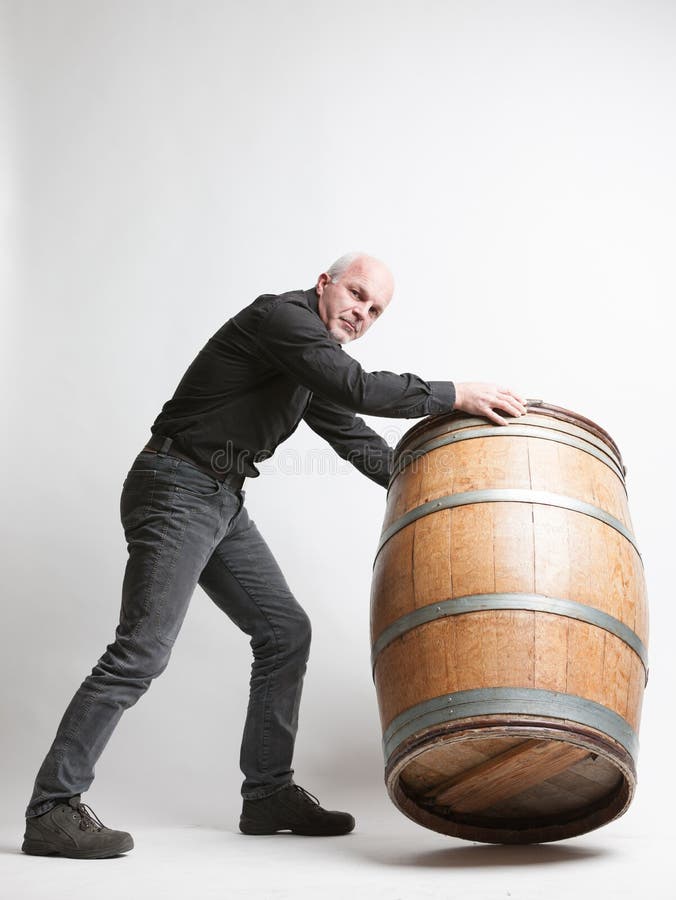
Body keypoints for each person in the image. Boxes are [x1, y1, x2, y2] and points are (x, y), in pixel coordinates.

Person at [22, 252, 526, 858]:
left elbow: (350, 432)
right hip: (175, 485)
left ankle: (266, 794)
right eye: (357, 294)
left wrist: (434, 489)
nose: (362, 313)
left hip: (219, 498)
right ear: (324, 283)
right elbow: (357, 387)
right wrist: (452, 394)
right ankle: (52, 808)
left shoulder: (307, 360)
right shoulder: (282, 320)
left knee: (285, 632)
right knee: (141, 650)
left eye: (375, 310)